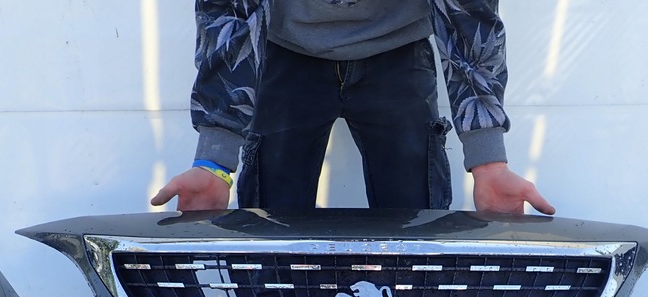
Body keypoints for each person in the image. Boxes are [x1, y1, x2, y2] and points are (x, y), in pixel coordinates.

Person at [152, 0, 555, 215]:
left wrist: (489, 162)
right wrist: (214, 160)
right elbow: (229, 10)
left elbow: (468, 12)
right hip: (286, 49)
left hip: (398, 47)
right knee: (270, 231)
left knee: (416, 230)